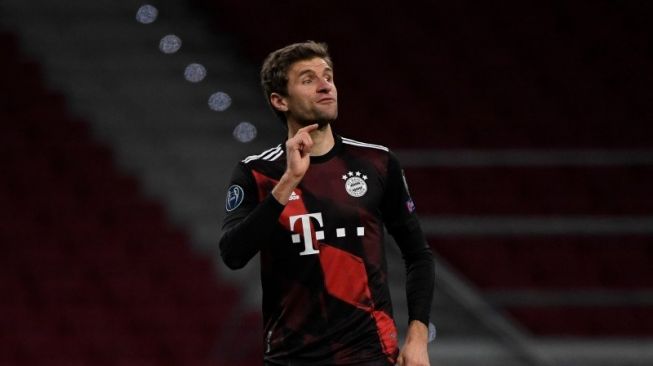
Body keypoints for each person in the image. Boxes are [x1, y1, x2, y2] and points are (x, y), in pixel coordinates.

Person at [219, 41, 435, 366]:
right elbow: (233, 254)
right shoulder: (257, 173)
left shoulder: (376, 162)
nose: (325, 86)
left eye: (328, 76)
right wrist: (290, 180)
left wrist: (418, 339)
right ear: (280, 100)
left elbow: (418, 255)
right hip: (291, 358)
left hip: (370, 355)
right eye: (308, 79)